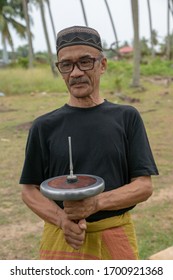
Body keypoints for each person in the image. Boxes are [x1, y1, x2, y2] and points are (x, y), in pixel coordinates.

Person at [20, 26, 159, 260]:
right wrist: (62, 219)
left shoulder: (126, 118)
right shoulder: (43, 126)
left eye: (85, 62)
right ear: (60, 70)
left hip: (114, 237)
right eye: (66, 65)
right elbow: (29, 191)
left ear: (102, 65)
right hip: (62, 239)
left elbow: (143, 186)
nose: (75, 72)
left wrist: (96, 203)